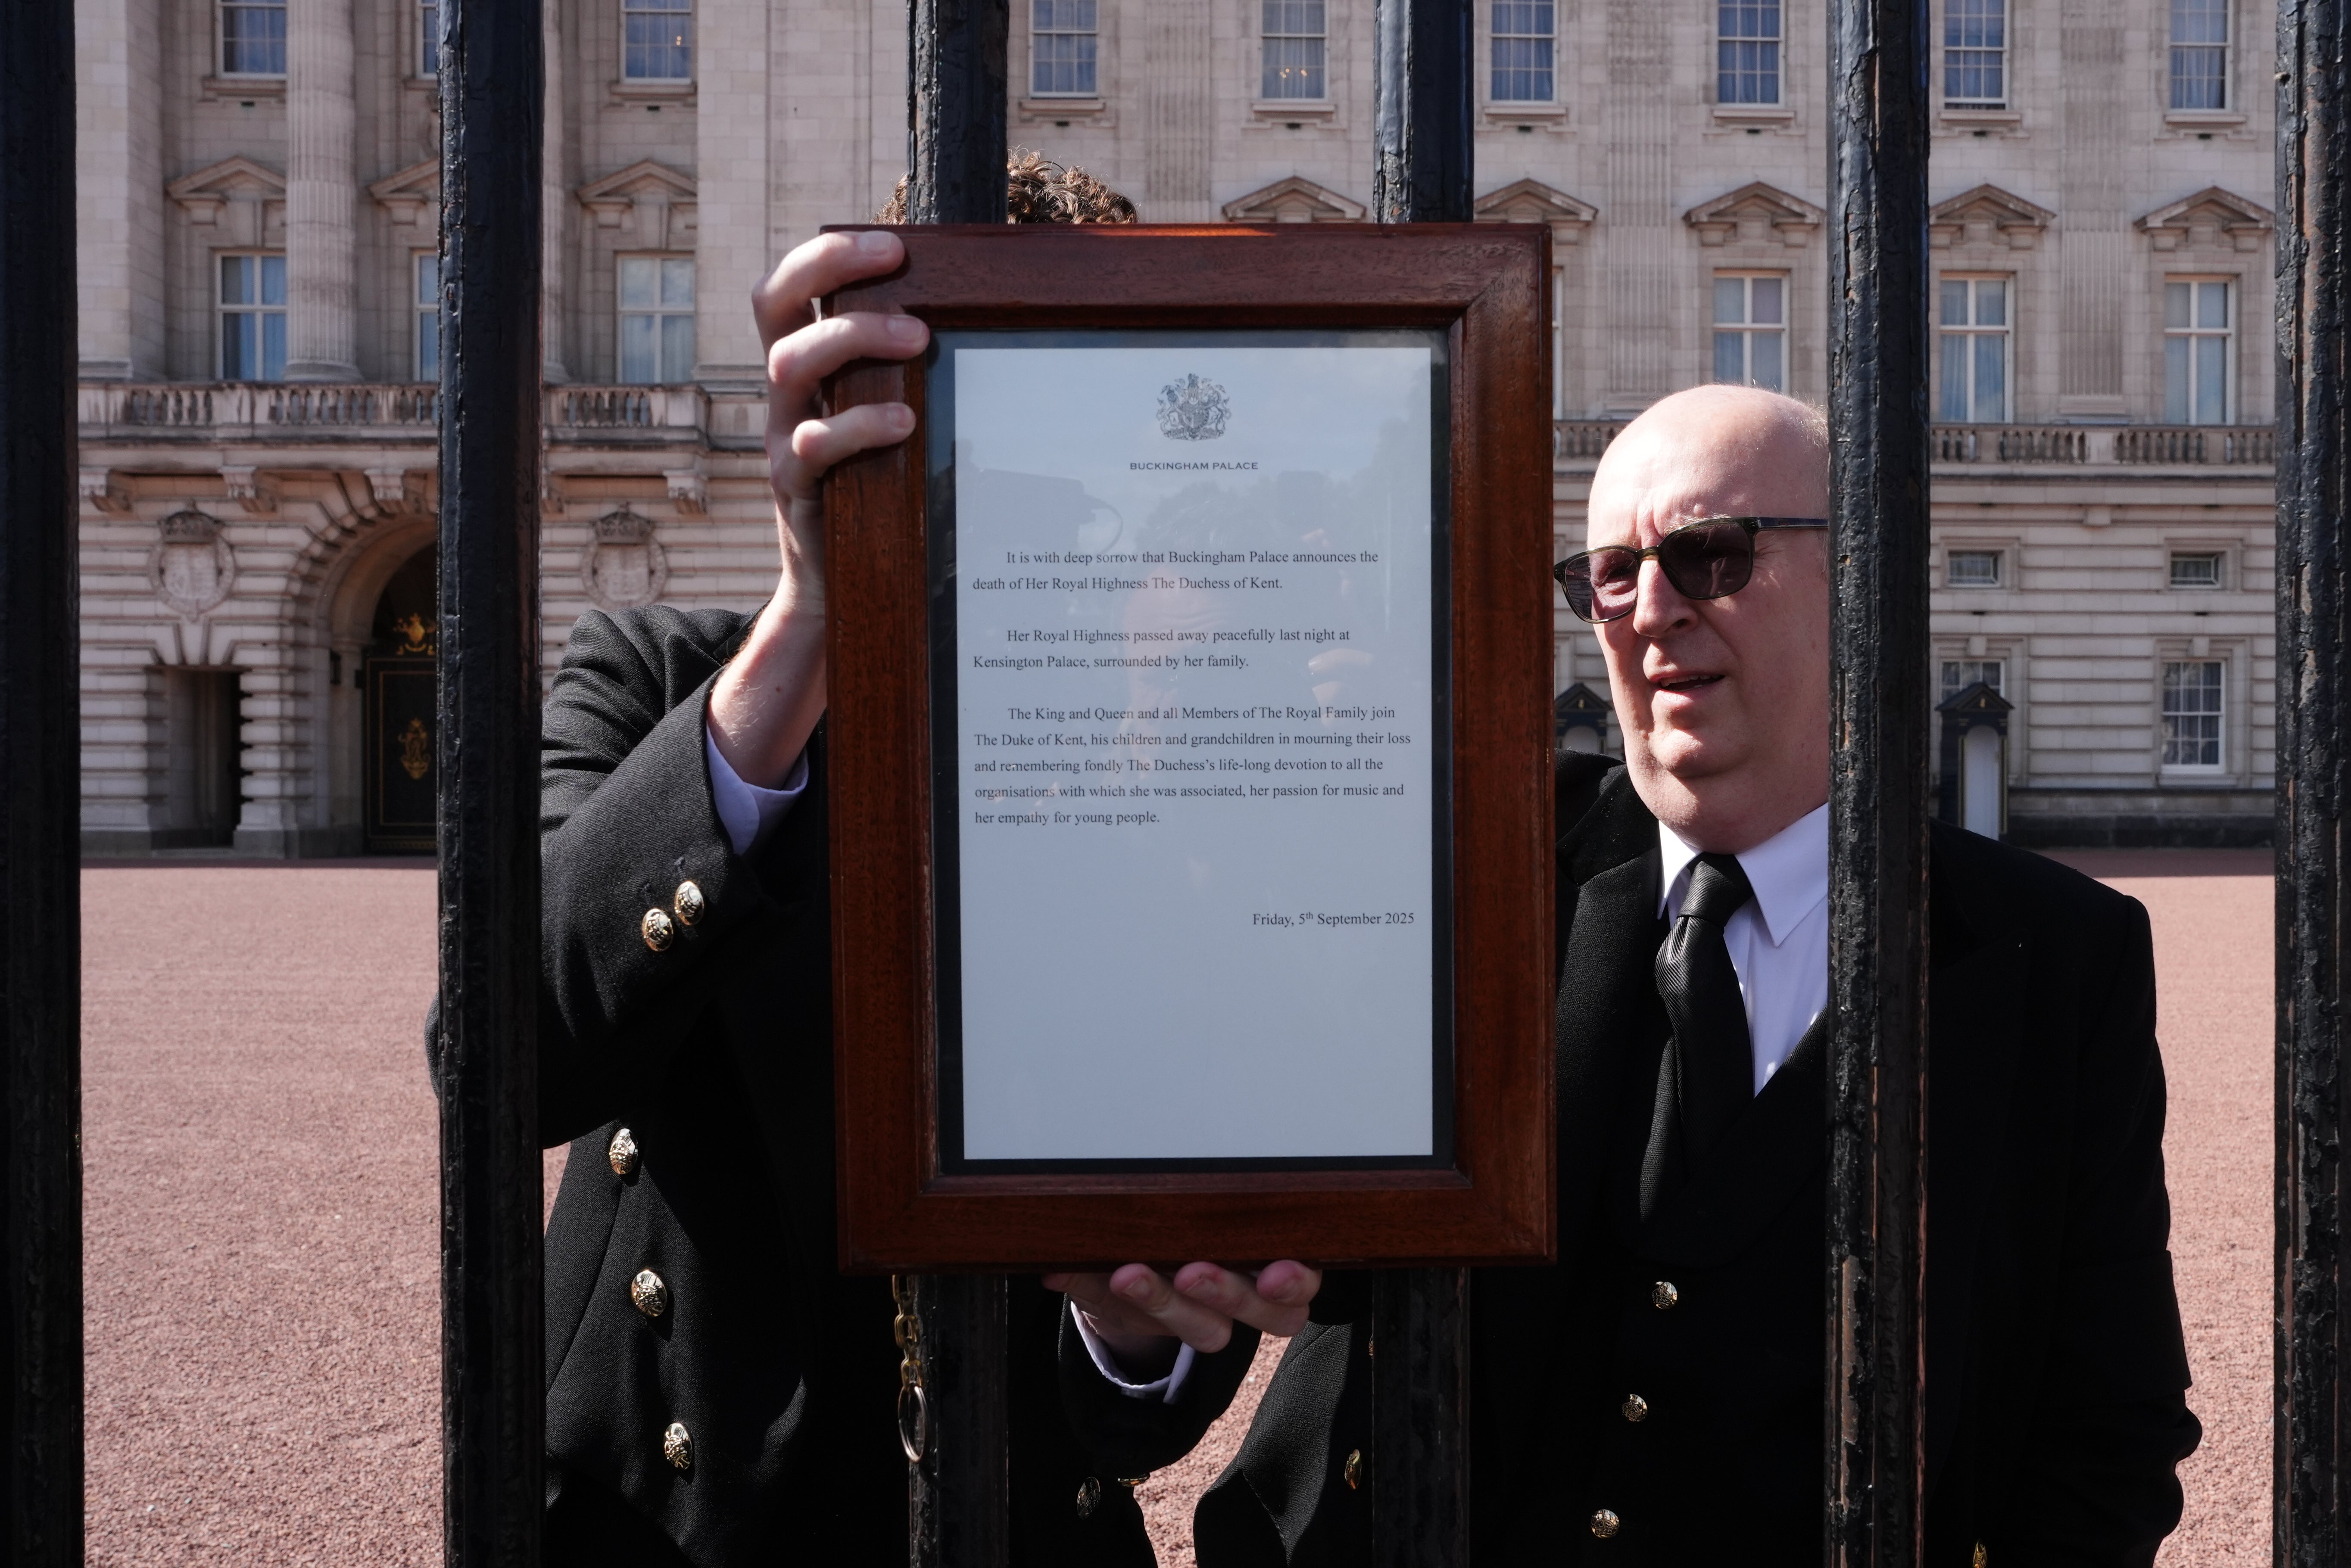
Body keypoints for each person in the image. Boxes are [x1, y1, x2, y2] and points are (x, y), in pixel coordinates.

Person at [1163, 385, 2203, 1566]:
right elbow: (1222, 1207)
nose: (1651, 610)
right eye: (1610, 573)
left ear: (1864, 573)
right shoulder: (1458, 862)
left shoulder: (2053, 949)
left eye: (1709, 556)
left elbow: (2106, 1421)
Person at [432, 158, 1273, 1568]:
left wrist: (1131, 1328)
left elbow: (1135, 1423)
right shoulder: (660, 680)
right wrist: (812, 620)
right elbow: (503, 1061)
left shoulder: (1176, 756)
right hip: (662, 1511)